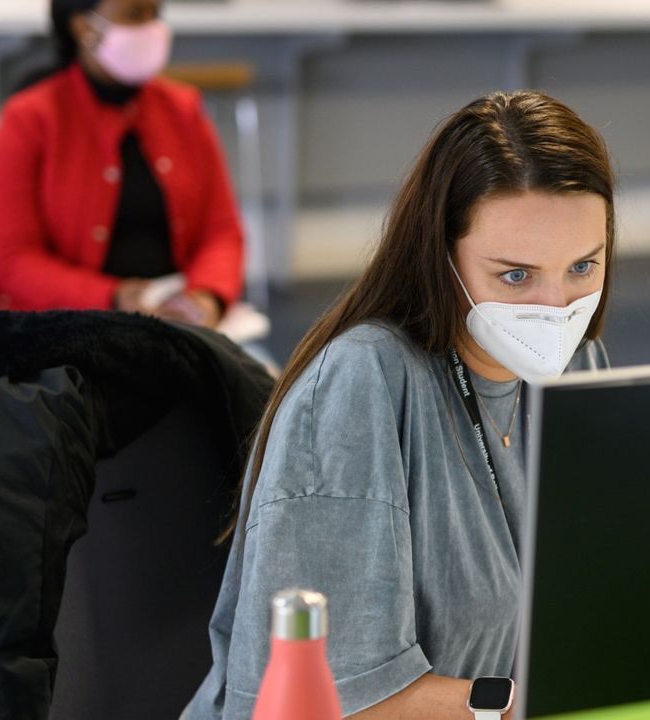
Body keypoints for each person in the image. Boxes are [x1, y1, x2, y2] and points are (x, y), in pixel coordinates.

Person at [185, 91, 616, 719]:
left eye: (582, 266)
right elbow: (328, 703)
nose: (556, 308)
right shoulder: (359, 388)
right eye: (515, 276)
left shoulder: (580, 363)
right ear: (442, 258)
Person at [0, 0, 243, 328]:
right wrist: (115, 297)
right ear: (83, 27)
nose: (152, 28)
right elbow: (10, 259)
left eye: (156, 14)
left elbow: (221, 232)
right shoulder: (28, 119)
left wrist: (206, 297)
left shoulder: (185, 110)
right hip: (58, 325)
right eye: (135, 15)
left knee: (266, 378)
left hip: (170, 321)